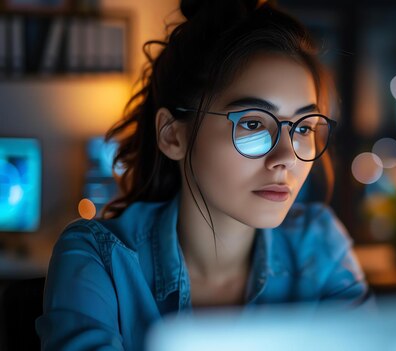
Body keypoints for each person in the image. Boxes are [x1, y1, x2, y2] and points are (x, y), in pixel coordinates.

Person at [35, 0, 371, 350]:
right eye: (253, 124)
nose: (287, 157)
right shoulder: (99, 258)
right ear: (172, 135)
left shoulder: (318, 243)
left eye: (303, 128)